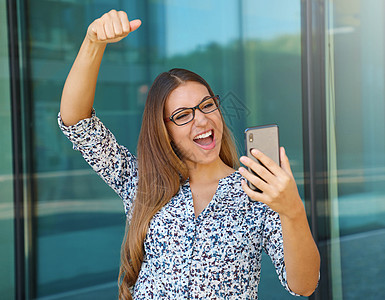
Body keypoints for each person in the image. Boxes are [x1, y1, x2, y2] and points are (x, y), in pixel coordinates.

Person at [58, 9, 320, 300]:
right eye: (183, 115)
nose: (202, 120)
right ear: (164, 130)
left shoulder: (257, 191)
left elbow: (303, 284)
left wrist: (293, 210)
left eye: (207, 105)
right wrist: (93, 42)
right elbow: (77, 124)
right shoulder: (141, 183)